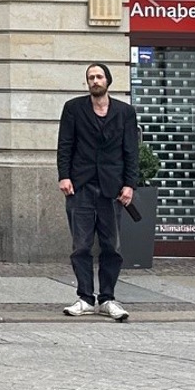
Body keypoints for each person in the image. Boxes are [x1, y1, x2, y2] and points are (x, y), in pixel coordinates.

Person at [56, 62, 140, 321]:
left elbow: (131, 151)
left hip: (111, 188)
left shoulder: (125, 112)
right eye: (91, 77)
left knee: (111, 246)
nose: (95, 81)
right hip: (80, 186)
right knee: (81, 245)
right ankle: (84, 298)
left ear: (108, 81)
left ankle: (107, 299)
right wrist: (64, 176)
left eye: (99, 76)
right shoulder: (73, 108)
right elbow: (65, 144)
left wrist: (130, 184)